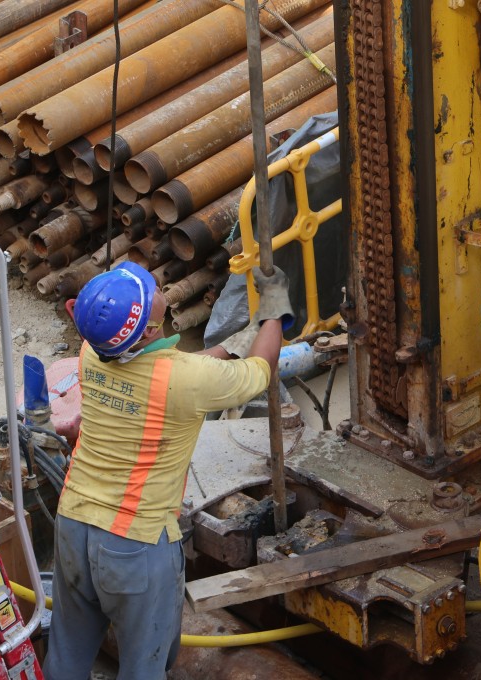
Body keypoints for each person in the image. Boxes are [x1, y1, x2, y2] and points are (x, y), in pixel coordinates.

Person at [43, 261, 294, 680]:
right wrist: (274, 308)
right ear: (146, 331)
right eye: (153, 289)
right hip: (134, 546)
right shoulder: (185, 380)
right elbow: (260, 371)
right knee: (145, 667)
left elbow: (176, 370)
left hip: (73, 524)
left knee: (67, 656)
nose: (158, 285)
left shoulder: (92, 351)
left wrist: (234, 342)